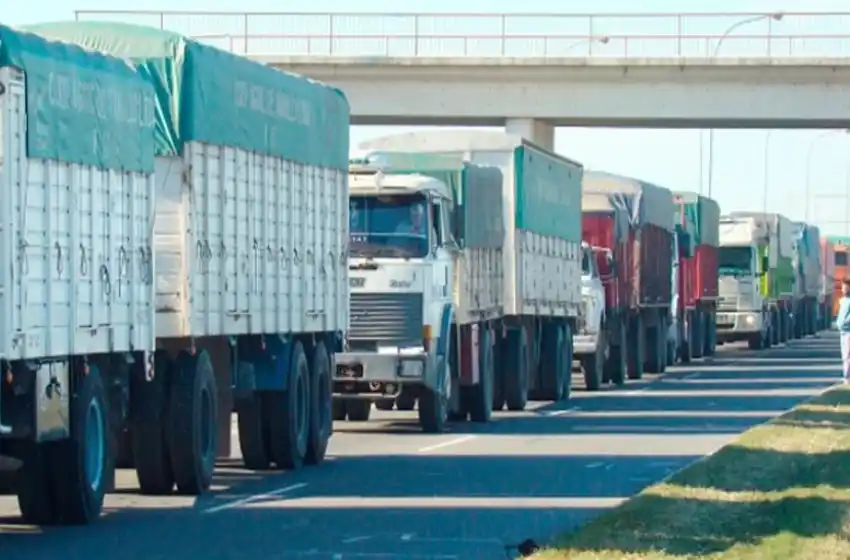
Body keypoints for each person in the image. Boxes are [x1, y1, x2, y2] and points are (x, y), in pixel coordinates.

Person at [835, 278, 850, 384]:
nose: (843, 288)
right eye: (842, 286)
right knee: (845, 355)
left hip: (849, 330)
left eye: (846, 286)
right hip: (843, 332)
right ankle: (846, 376)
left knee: (848, 355)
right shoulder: (843, 300)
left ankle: (847, 377)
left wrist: (845, 323)